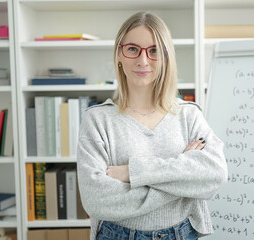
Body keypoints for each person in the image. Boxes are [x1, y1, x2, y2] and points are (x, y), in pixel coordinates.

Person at [77, 11, 228, 240]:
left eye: (154, 50)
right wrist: (183, 178)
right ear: (119, 53)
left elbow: (215, 174)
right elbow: (97, 201)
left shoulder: (188, 115)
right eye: (132, 49)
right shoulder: (97, 120)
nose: (143, 60)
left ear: (166, 56)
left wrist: (132, 172)